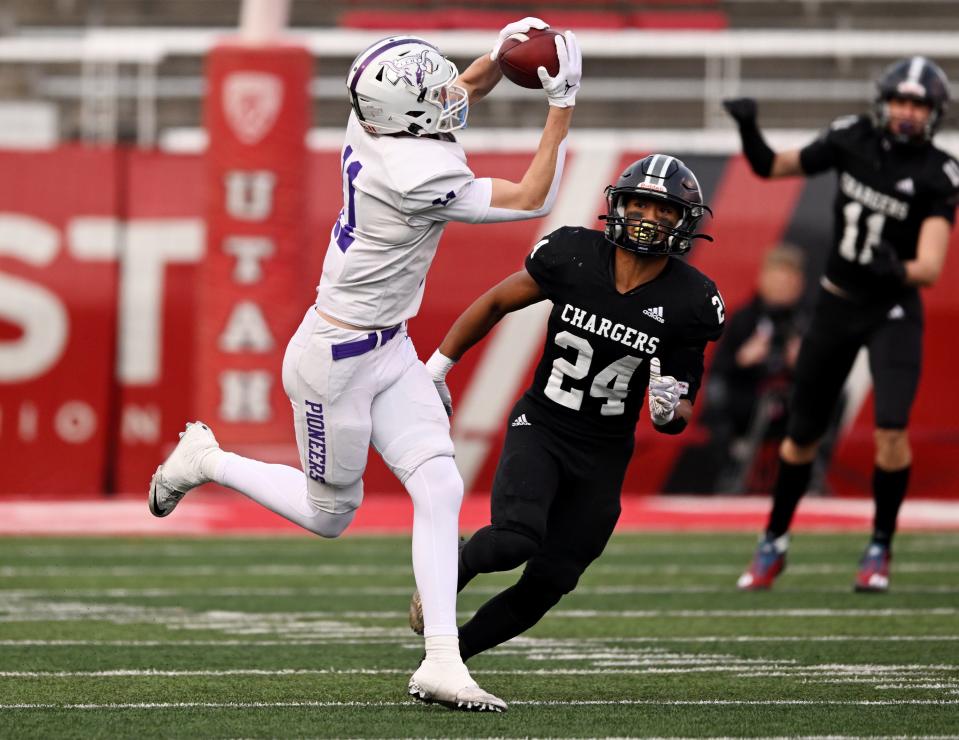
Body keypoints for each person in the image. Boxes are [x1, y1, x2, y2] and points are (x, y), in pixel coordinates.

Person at [147, 17, 582, 712]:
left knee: (438, 482)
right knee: (330, 514)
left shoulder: (376, 125)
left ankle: (442, 659)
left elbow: (456, 91)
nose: (450, 90)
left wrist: (499, 57)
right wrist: (561, 103)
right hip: (335, 361)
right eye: (431, 88)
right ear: (405, 114)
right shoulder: (417, 172)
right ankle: (206, 461)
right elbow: (533, 196)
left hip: (388, 343)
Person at [409, 155, 725, 661]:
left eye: (663, 209)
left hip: (604, 452)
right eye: (639, 203)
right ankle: (454, 563)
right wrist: (436, 368)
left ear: (683, 222)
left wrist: (669, 413)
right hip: (543, 424)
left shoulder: (692, 300)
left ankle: (449, 657)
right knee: (514, 539)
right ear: (618, 206)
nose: (648, 217)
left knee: (551, 580)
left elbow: (681, 407)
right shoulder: (573, 254)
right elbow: (495, 302)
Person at [725, 56, 959, 592]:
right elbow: (770, 167)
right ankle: (773, 542)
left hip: (892, 309)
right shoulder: (852, 137)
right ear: (883, 101)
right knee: (800, 435)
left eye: (917, 104)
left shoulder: (937, 173)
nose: (906, 112)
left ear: (934, 113)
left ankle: (879, 546)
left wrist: (893, 268)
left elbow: (930, 265)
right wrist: (748, 128)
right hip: (835, 303)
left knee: (892, 430)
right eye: (900, 100)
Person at [704, 244, 806, 492]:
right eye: (777, 280)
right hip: (746, 402)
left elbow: (828, 375)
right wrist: (743, 359)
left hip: (794, 405)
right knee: (716, 394)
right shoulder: (744, 318)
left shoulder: (807, 320)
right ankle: (731, 467)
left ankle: (810, 471)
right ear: (763, 280)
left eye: (789, 281)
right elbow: (717, 370)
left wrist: (805, 364)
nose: (782, 288)